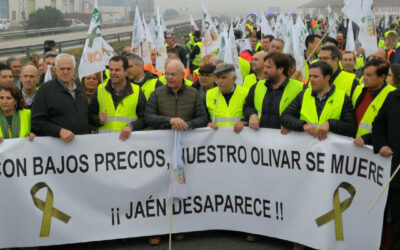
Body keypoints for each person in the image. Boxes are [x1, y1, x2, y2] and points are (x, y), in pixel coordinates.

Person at [281, 61, 356, 140]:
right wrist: (303, 125)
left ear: (327, 77)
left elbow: (351, 128)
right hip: (306, 147)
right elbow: (285, 117)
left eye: (315, 76)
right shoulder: (303, 95)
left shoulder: (343, 97)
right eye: (310, 76)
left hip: (331, 149)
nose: (311, 80)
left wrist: (330, 124)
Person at [31, 53, 89, 142]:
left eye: (69, 69)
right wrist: (59, 131)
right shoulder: (44, 90)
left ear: (74, 70)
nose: (65, 72)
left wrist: (98, 120)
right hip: (58, 148)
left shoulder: (80, 87)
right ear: (56, 70)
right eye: (62, 69)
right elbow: (36, 122)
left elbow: (84, 114)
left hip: (82, 146)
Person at [89, 56, 146, 140]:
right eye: (111, 70)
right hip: (104, 144)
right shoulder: (100, 89)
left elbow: (145, 117)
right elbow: (89, 114)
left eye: (117, 70)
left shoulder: (137, 91)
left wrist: (131, 126)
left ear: (126, 71)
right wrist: (98, 120)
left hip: (128, 144)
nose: (113, 73)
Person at [243, 53, 304, 131]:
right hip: (260, 138)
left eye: (268, 67)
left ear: (280, 70)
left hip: (287, 139)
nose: (264, 70)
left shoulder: (300, 88)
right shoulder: (257, 86)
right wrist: (252, 115)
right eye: (264, 66)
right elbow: (247, 106)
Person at [145, 58, 208, 131]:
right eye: (167, 74)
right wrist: (169, 121)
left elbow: (203, 118)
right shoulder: (157, 93)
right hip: (162, 139)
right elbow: (148, 117)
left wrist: (187, 125)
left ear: (182, 75)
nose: (169, 77)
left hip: (188, 138)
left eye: (173, 74)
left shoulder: (194, 93)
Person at [372, 86, 400, 250]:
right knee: (395, 219)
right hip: (393, 172)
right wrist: (381, 144)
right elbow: (378, 125)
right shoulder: (393, 97)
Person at [352, 59, 395, 147]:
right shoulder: (359, 89)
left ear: (382, 77)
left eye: (369, 75)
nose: (364, 78)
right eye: (364, 74)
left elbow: (393, 130)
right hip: (354, 147)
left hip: (375, 151)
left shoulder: (393, 96)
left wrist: (367, 139)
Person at [206, 64, 248, 133]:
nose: (219, 82)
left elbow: (251, 116)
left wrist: (244, 123)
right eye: (218, 78)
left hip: (239, 139)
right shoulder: (209, 94)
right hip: (216, 139)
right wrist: (207, 124)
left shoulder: (245, 93)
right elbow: (202, 117)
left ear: (234, 78)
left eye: (223, 78)